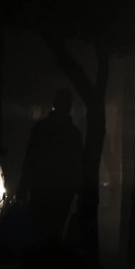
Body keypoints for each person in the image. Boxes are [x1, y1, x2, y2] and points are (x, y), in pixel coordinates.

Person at [17, 88, 83, 246]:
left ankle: (38, 264)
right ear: (69, 107)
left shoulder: (41, 129)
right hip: (63, 190)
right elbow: (77, 164)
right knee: (55, 231)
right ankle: (50, 264)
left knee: (38, 231)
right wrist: (79, 189)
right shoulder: (73, 133)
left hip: (41, 187)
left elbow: (30, 159)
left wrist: (23, 186)